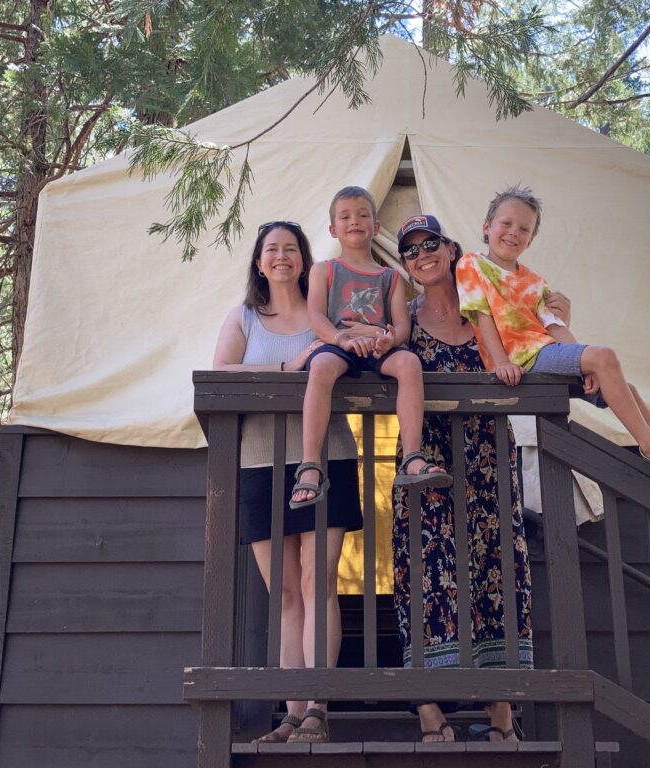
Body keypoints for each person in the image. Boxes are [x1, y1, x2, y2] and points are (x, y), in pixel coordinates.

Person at [390, 214, 551, 744]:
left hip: (488, 458)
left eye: (430, 243)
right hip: (427, 461)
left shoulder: (488, 307)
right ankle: (429, 709)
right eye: (410, 250)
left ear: (453, 247)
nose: (421, 255)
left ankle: (502, 709)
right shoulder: (406, 319)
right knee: (426, 569)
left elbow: (540, 332)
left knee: (498, 567)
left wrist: (564, 322)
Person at [456, 185, 650, 498]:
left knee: (625, 387)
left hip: (546, 351)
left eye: (524, 229)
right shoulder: (472, 263)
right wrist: (501, 362)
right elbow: (481, 314)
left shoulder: (534, 281)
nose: (514, 232)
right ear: (487, 227)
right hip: (521, 359)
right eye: (506, 223)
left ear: (530, 240)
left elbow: (554, 327)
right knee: (605, 356)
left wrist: (587, 366)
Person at [212, 220, 363, 743]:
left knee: (318, 581)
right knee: (283, 592)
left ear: (304, 260)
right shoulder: (244, 318)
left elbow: (359, 346)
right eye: (271, 249)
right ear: (259, 261)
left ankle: (319, 706)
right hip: (258, 462)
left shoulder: (327, 314)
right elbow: (219, 373)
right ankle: (293, 712)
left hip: (328, 458)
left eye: (291, 249)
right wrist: (288, 365)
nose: (281, 257)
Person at [290, 187, 452, 510]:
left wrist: (390, 340)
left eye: (363, 215)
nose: (355, 221)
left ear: (376, 227)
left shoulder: (390, 276)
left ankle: (413, 457)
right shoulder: (325, 270)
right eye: (345, 216)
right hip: (339, 344)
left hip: (379, 347)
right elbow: (315, 317)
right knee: (320, 368)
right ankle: (310, 465)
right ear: (333, 229)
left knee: (409, 364)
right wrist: (340, 339)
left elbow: (402, 324)